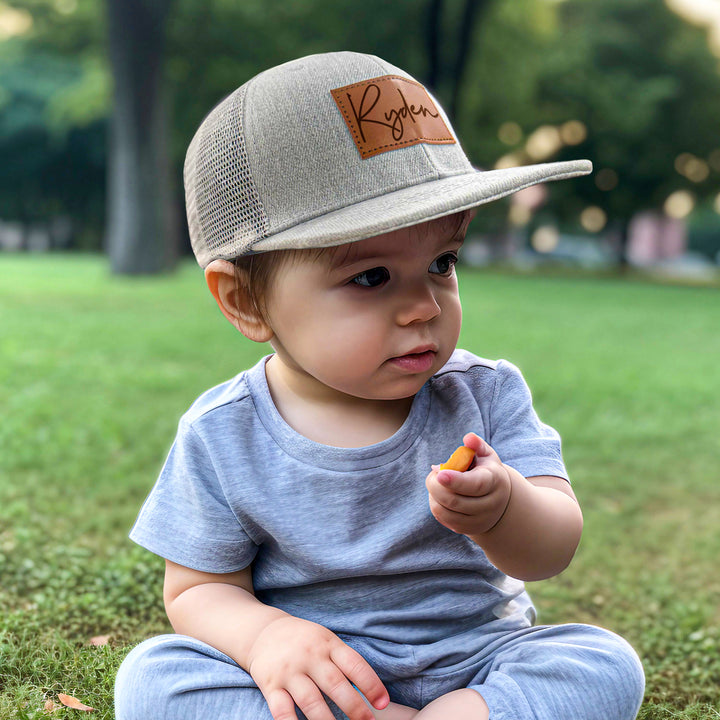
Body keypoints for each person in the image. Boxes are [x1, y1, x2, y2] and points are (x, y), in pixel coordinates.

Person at [115, 52, 644, 720]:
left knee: (600, 664)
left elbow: (552, 549)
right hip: (320, 683)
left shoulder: (484, 394)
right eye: (370, 277)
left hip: (476, 666)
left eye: (441, 263)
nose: (424, 305)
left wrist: (505, 506)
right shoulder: (224, 432)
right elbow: (196, 592)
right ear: (244, 301)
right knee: (156, 679)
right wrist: (267, 637)